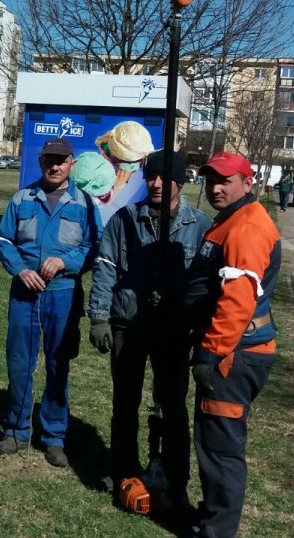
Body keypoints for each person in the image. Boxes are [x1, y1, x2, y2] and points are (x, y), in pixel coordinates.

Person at [87, 150, 212, 512]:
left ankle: (173, 475)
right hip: (129, 324)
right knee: (124, 401)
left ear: (179, 182)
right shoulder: (125, 220)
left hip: (173, 330)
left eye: (165, 178)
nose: (157, 184)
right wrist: (99, 317)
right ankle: (123, 468)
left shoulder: (198, 226)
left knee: (171, 405)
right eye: (152, 177)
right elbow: (106, 267)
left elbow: (205, 282)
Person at [186, 151, 281, 538]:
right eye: (211, 180)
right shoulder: (233, 219)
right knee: (214, 439)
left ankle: (217, 531)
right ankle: (212, 517)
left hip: (233, 355)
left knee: (221, 448)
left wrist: (209, 353)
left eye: (225, 180)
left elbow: (237, 301)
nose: (216, 188)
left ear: (247, 182)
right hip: (235, 350)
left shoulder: (245, 229)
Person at [0, 137, 100, 468]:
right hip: (25, 294)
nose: (53, 166)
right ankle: (16, 430)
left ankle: (54, 437)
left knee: (58, 365)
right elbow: (2, 239)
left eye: (60, 160)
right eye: (48, 160)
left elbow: (94, 246)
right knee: (20, 363)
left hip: (63, 296)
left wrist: (65, 262)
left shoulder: (84, 204)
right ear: (40, 163)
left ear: (72, 164)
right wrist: (20, 269)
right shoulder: (23, 198)